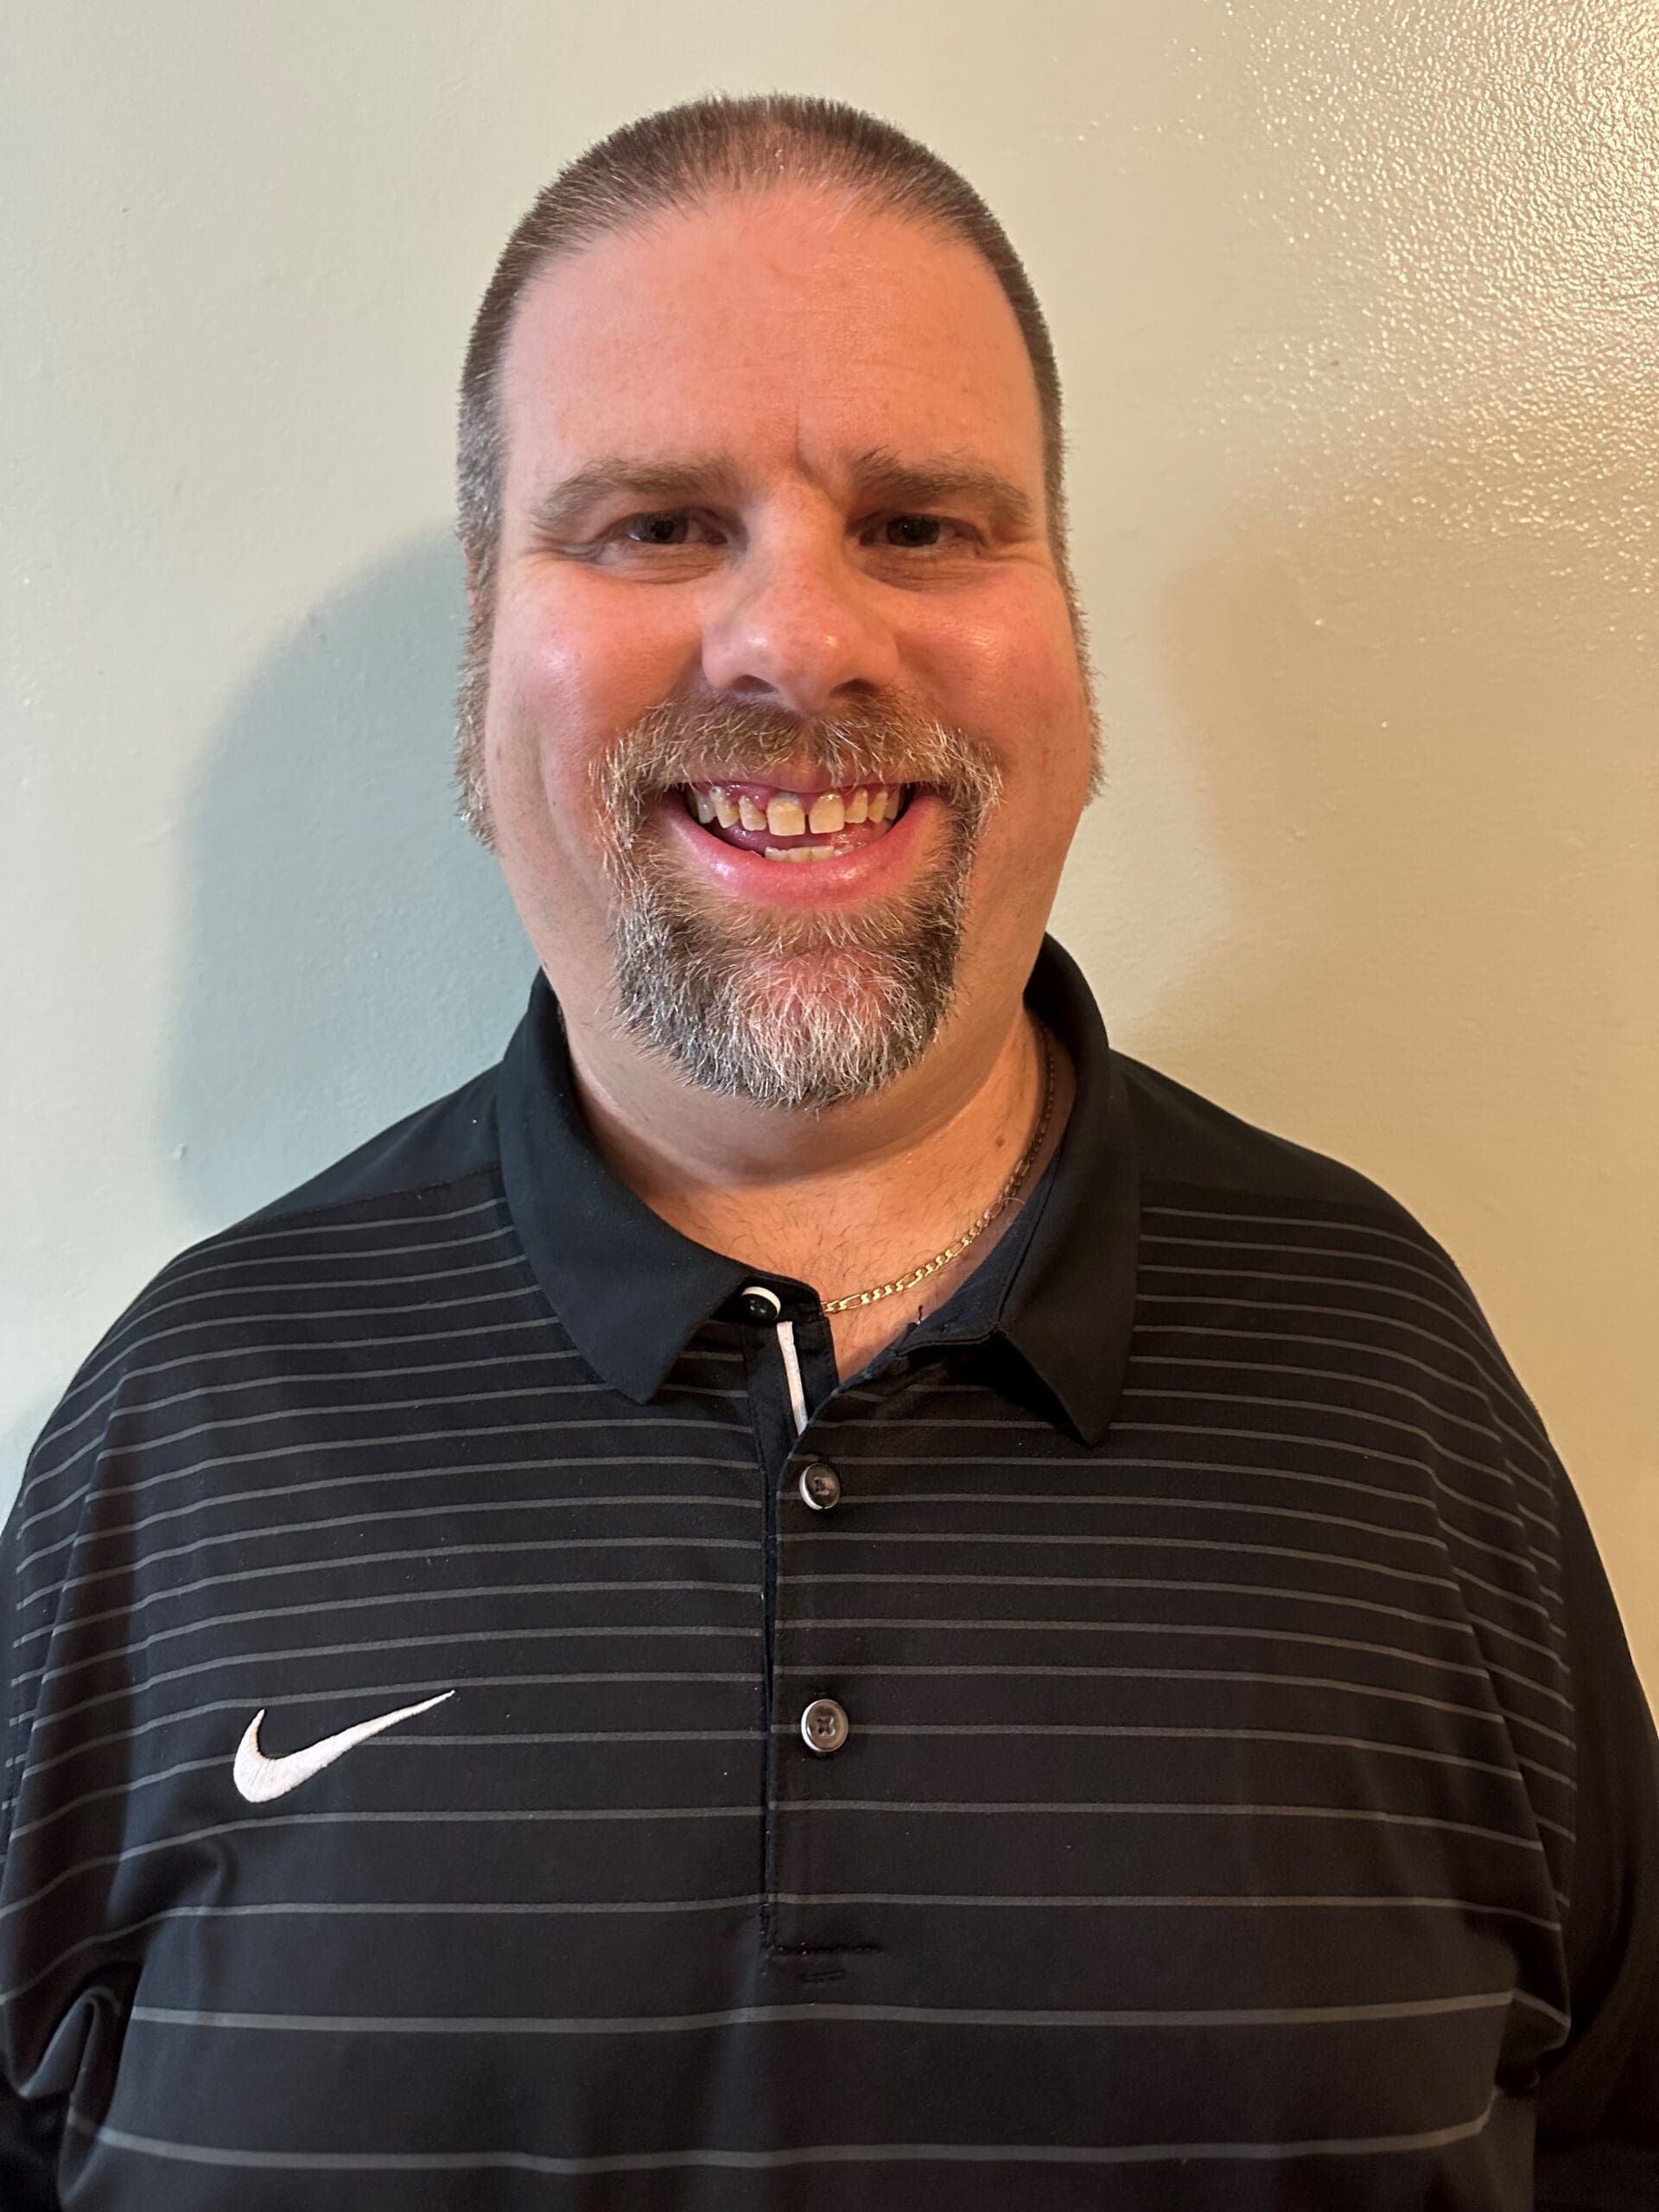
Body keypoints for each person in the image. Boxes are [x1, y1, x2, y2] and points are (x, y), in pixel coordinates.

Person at [1, 91, 1652, 2212]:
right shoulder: (194, 1420)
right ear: (485, 680)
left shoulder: (1391, 1378)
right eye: (655, 525)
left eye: (925, 524)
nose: (800, 638)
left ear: (1066, 660)